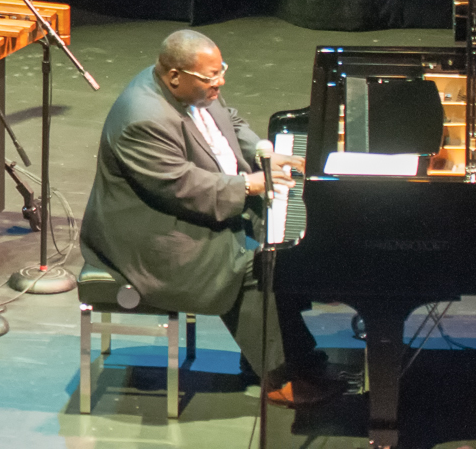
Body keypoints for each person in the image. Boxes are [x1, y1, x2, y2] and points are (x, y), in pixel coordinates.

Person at [81, 30, 346, 407]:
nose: (219, 82)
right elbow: (184, 188)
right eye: (211, 77)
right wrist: (251, 184)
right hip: (149, 237)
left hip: (181, 210)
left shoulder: (191, 87)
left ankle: (297, 358)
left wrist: (264, 156)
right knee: (251, 267)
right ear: (175, 75)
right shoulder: (144, 120)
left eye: (221, 71)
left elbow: (230, 123)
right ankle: (278, 374)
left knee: (283, 245)